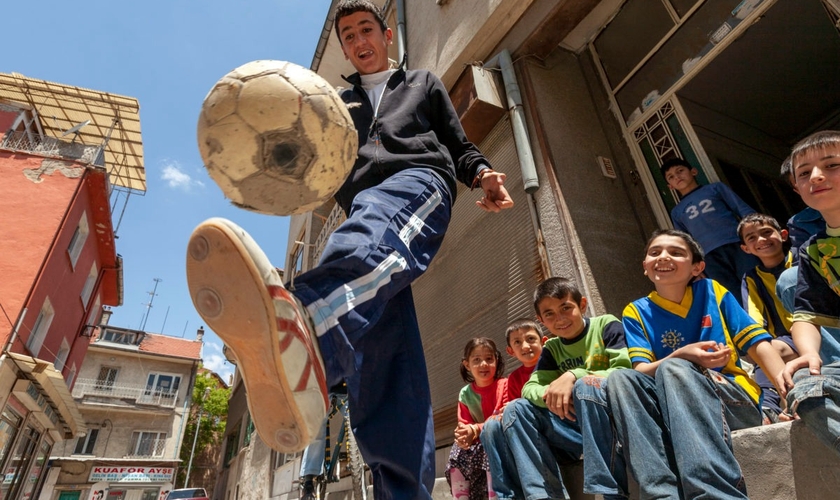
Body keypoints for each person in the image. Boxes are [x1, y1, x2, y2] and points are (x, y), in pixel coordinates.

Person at [185, 1, 514, 498]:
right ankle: (402, 489)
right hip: (364, 212)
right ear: (345, 47)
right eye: (349, 36)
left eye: (366, 30)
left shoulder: (421, 83)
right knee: (383, 360)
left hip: (419, 184)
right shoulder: (335, 104)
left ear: (386, 36)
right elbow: (314, 164)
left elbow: (457, 142)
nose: (359, 41)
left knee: (366, 239)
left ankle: (311, 328)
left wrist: (482, 173)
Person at [608, 229, 786, 499]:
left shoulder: (711, 291)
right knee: (621, 379)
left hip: (731, 400)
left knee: (673, 368)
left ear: (697, 267)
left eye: (676, 252)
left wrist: (789, 396)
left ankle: (713, 493)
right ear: (645, 266)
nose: (663, 257)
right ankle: (660, 494)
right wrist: (684, 354)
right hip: (673, 409)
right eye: (654, 252)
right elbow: (641, 371)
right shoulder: (636, 311)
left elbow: (758, 343)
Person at [481, 277, 631, 500]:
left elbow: (623, 370)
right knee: (516, 409)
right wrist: (552, 395)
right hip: (571, 426)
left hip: (609, 423)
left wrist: (573, 375)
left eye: (566, 308)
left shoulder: (605, 325)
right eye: (549, 314)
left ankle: (613, 494)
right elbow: (530, 388)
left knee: (585, 387)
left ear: (582, 305)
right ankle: (542, 496)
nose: (559, 319)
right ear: (541, 319)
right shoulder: (552, 347)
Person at [778, 130, 840, 457]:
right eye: (804, 173)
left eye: (831, 165)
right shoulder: (814, 251)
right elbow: (806, 315)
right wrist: (809, 354)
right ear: (797, 187)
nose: (816, 176)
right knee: (805, 384)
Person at [663, 157, 758, 295]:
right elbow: (685, 242)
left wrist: (757, 231)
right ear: (670, 186)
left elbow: (741, 208)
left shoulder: (715, 188)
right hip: (709, 258)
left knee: (756, 283)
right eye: (671, 177)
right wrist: (693, 266)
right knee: (732, 295)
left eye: (680, 171)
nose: (677, 177)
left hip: (737, 244)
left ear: (693, 171)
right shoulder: (677, 211)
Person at [737, 213, 799, 421]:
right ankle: (770, 408)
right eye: (751, 238)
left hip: (820, 329)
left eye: (766, 233)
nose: (761, 240)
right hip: (788, 341)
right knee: (766, 350)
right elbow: (754, 320)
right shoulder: (752, 277)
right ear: (745, 248)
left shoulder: (802, 259)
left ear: (783, 235)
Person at [445, 338, 507, 500]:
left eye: (489, 359)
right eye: (477, 360)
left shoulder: (505, 385)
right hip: (475, 443)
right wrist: (462, 437)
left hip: (499, 441)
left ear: (496, 360)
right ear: (467, 365)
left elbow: (505, 417)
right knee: (456, 450)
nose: (483, 364)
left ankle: (496, 494)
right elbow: (464, 424)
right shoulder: (465, 393)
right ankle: (461, 496)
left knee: (490, 445)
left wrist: (477, 429)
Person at [298, 385, 348, 500]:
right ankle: (308, 482)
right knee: (318, 425)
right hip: (324, 388)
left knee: (362, 421)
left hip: (347, 388)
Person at [502, 318, 545, 400]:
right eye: (517, 342)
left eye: (531, 339)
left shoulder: (555, 363)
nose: (525, 347)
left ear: (543, 342)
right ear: (511, 351)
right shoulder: (515, 378)